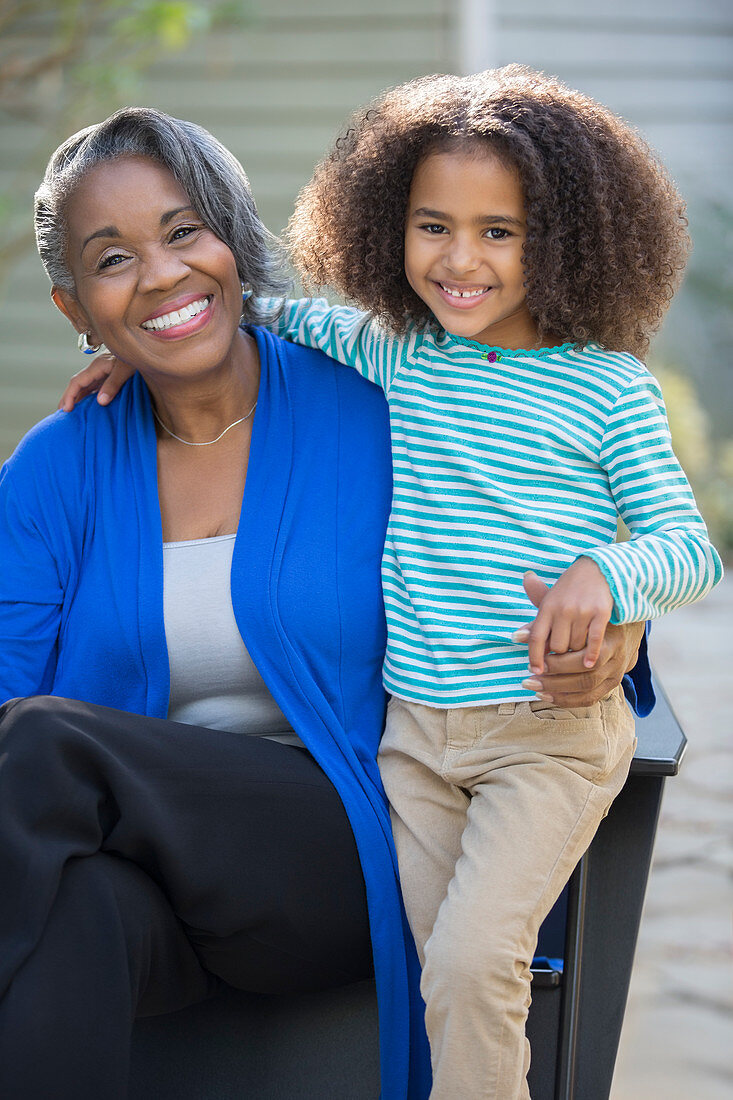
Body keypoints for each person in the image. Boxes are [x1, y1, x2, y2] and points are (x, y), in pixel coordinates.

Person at [79, 70, 724, 1099]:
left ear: (565, 238)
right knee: (430, 971)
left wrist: (605, 576)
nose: (459, 261)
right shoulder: (395, 350)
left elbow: (688, 545)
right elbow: (259, 319)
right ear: (389, 224)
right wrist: (125, 348)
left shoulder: (607, 387)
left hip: (542, 738)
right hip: (414, 738)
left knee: (474, 962)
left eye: (499, 233)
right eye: (434, 226)